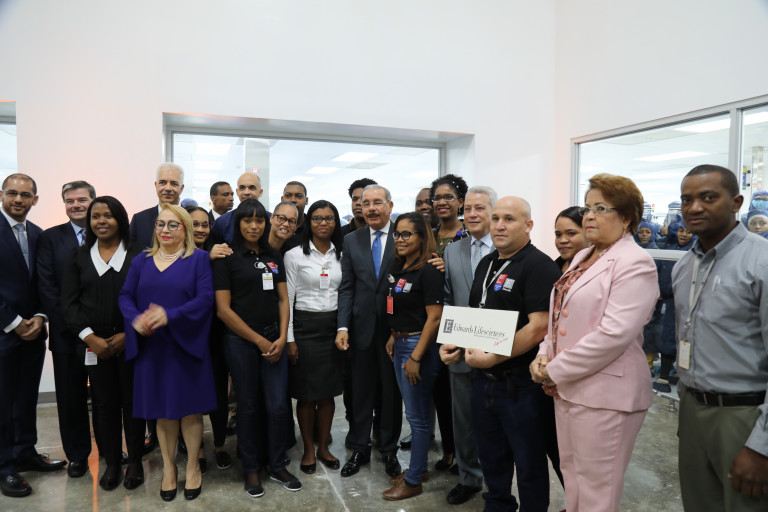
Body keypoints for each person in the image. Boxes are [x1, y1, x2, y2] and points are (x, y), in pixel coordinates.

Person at [531, 174, 659, 512]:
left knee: (598, 490)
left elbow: (613, 335)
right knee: (573, 477)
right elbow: (558, 316)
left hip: (607, 394)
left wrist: (555, 369)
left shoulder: (635, 262)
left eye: (600, 208)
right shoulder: (584, 255)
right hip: (569, 388)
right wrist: (543, 355)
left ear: (626, 217)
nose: (589, 216)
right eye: (587, 208)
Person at [673, 164, 768, 510]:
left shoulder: (761, 262)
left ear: (736, 203)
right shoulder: (685, 265)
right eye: (687, 199)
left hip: (744, 416)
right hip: (693, 410)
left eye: (708, 197)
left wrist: (761, 447)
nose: (694, 207)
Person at [462, 196, 559, 512]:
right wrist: (457, 344)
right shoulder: (487, 263)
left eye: (509, 219)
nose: (500, 226)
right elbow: (476, 313)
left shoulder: (539, 266)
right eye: (496, 219)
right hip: (483, 382)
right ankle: (498, 506)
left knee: (529, 462)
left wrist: (491, 357)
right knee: (492, 457)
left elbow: (538, 326)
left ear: (528, 225)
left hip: (520, 385)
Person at [119, 204, 216, 502]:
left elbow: (205, 299)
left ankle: (193, 467)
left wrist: (169, 315)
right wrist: (135, 318)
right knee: (162, 412)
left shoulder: (198, 259)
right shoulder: (142, 260)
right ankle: (169, 468)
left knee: (189, 410)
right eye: (160, 224)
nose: (165, 230)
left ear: (185, 229)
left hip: (186, 344)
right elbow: (125, 296)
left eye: (173, 225)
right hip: (153, 348)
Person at [213, 199, 300, 498]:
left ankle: (276, 464)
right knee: (248, 407)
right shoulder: (227, 256)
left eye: (259, 220)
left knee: (277, 406)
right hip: (240, 343)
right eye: (247, 220)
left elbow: (283, 299)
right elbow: (223, 310)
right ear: (238, 223)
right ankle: (251, 467)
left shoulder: (273, 255)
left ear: (266, 223)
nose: (254, 226)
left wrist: (282, 336)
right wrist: (258, 340)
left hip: (274, 339)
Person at [60, 196, 146, 491]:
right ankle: (111, 462)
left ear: (120, 219)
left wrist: (129, 335)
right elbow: (69, 304)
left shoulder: (140, 254)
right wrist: (90, 337)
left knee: (133, 403)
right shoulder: (77, 257)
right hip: (93, 344)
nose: (101, 221)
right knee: (103, 404)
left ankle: (135, 461)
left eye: (108, 215)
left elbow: (149, 298)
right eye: (95, 216)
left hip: (132, 341)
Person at [0, 174, 65, 498]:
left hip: (34, 333)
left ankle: (26, 452)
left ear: (35, 200)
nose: (18, 199)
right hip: (3, 331)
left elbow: (43, 282)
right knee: (2, 403)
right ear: (2, 195)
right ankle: (5, 466)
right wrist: (13, 322)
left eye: (26, 195)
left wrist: (40, 316)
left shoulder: (39, 234)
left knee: (26, 398)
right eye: (12, 193)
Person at [336, 184, 403, 479]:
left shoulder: (404, 236)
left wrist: (400, 329)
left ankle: (388, 449)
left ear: (390, 206)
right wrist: (343, 326)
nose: (372, 208)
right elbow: (347, 287)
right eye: (366, 204)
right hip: (360, 328)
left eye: (378, 202)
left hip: (393, 331)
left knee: (390, 393)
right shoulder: (351, 240)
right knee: (360, 392)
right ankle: (360, 447)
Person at [438, 186, 496, 505]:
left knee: (496, 419)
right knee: (462, 419)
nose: (472, 214)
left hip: (499, 352)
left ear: (493, 212)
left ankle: (497, 480)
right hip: (460, 349)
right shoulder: (453, 250)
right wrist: (450, 339)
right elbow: (448, 299)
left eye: (480, 208)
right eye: (468, 209)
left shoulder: (506, 248)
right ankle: (469, 477)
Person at [381, 212, 445, 500]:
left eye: (407, 234)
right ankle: (419, 468)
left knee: (417, 418)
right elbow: (402, 308)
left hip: (418, 347)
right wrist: (393, 335)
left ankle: (414, 480)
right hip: (401, 342)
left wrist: (416, 357)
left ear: (422, 237)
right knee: (415, 413)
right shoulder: (402, 267)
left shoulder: (429, 270)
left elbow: (434, 318)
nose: (400, 239)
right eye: (397, 233)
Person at [36, 181, 96, 478]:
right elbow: (46, 286)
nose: (76, 205)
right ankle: (77, 455)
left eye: (82, 199)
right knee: (71, 399)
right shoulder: (50, 238)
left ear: (93, 201)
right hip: (66, 334)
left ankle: (110, 448)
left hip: (103, 335)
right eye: (70, 201)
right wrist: (77, 326)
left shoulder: (107, 233)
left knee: (106, 398)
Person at [284, 200, 344, 474]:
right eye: (317, 218)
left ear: (335, 222)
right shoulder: (294, 255)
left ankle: (323, 447)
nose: (323, 223)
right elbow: (288, 299)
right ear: (308, 222)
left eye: (329, 218)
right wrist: (290, 338)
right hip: (304, 328)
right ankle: (308, 449)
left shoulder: (342, 254)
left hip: (332, 328)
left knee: (328, 394)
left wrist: (343, 328)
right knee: (307, 396)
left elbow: (345, 293)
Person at [184, 206, 233, 471]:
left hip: (216, 333)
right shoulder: (176, 255)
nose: (201, 229)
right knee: (191, 394)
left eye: (205, 224)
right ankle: (197, 449)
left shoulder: (219, 251)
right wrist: (204, 257)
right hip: (187, 335)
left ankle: (220, 444)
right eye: (195, 224)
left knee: (218, 394)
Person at [426, 174, 469, 471]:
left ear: (460, 202)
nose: (441, 202)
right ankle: (449, 450)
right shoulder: (428, 234)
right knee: (440, 390)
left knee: (462, 393)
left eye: (448, 197)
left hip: (461, 319)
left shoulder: (468, 235)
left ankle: (468, 455)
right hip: (431, 320)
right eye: (437, 198)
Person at [653, 219, 695, 393]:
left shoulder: (693, 251)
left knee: (676, 337)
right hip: (666, 300)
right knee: (665, 334)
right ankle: (668, 370)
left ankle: (666, 377)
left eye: (688, 231)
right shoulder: (670, 247)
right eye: (681, 230)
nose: (683, 234)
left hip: (681, 301)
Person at [129, 162, 185, 249]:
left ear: (181, 188)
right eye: (162, 183)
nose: (168, 188)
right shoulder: (139, 220)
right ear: (156, 185)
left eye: (174, 184)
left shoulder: (193, 219)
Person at [212, 172, 265, 245]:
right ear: (237, 192)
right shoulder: (222, 222)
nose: (246, 192)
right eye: (242, 188)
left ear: (260, 192)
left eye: (252, 188)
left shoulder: (271, 220)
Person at [554, 206, 590, 273]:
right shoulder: (552, 268)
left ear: (589, 233)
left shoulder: (596, 270)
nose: (563, 240)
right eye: (558, 235)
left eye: (571, 233)